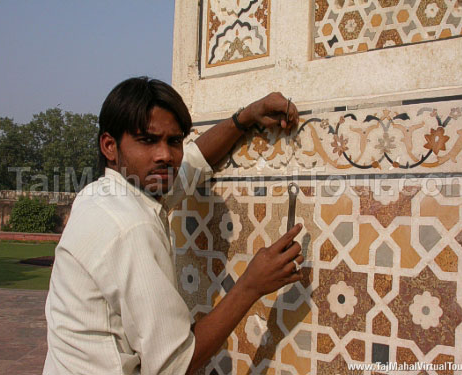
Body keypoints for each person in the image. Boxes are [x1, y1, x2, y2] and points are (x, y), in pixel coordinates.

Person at [43, 76, 305, 374]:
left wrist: (244, 118)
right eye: (147, 140)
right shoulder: (130, 226)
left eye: (174, 141)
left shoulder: (106, 194)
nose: (165, 155)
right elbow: (175, 364)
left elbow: (195, 159)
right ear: (109, 146)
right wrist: (251, 285)